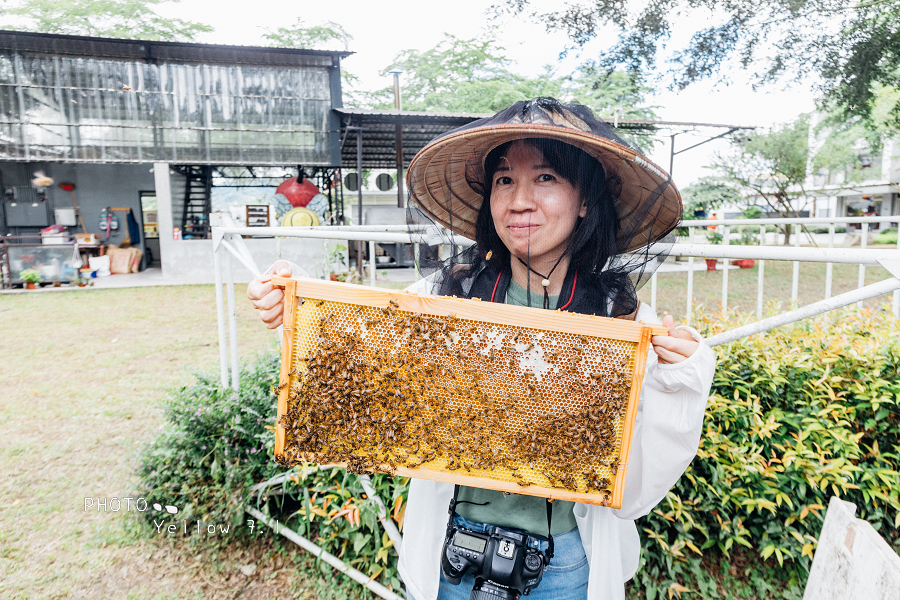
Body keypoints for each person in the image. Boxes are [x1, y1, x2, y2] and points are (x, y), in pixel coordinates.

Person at [248, 98, 716, 600]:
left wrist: (683, 370)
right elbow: (356, 337)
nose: (519, 201)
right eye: (504, 181)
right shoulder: (447, 296)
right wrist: (293, 301)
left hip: (563, 566)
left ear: (586, 200)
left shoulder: (621, 318)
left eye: (545, 178)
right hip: (455, 552)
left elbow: (640, 481)